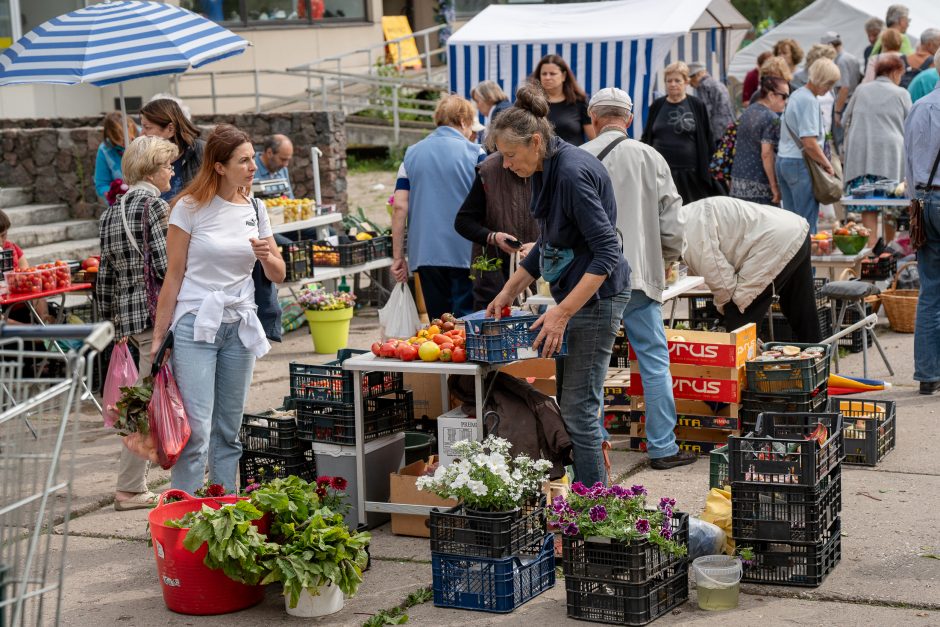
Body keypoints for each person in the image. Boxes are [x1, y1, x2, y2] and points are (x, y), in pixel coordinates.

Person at [486, 84, 630, 487]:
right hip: (578, 299)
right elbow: (550, 241)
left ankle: (596, 509)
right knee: (573, 404)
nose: (507, 165)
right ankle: (588, 500)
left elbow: (606, 253)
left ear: (535, 141)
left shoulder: (569, 173)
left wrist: (562, 312)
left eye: (511, 156)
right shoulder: (545, 168)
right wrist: (509, 290)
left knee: (579, 411)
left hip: (596, 300)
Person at [152, 124, 286, 494]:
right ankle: (186, 514)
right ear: (220, 166)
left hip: (240, 326)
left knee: (228, 430)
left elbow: (279, 272)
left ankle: (224, 512)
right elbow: (173, 277)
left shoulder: (256, 209)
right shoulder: (188, 209)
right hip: (196, 323)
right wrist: (160, 337)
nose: (253, 166)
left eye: (252, 157)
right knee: (196, 431)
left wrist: (267, 257)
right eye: (244, 160)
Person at [581, 87, 693, 470]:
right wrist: (668, 258)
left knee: (591, 366)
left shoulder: (578, 157)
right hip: (641, 275)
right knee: (653, 361)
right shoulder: (651, 157)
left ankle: (596, 446)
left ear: (594, 119)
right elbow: (673, 222)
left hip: (591, 280)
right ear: (629, 120)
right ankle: (663, 447)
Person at [96, 135, 177, 510]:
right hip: (155, 316)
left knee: (141, 400)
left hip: (128, 323)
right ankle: (129, 488)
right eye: (166, 164)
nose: (172, 170)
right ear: (150, 169)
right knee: (151, 402)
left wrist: (113, 326)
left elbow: (105, 278)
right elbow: (166, 267)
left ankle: (134, 483)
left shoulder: (111, 211)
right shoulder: (155, 208)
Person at [391, 95, 484, 319]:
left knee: (438, 323)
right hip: (466, 249)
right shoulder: (476, 154)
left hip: (425, 251)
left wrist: (398, 257)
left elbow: (399, 207)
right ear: (463, 121)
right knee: (466, 321)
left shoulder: (411, 154)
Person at [681, 197, 821, 343]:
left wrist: (725, 313)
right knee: (803, 311)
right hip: (795, 230)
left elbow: (722, 283)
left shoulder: (688, 233)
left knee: (739, 317)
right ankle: (818, 359)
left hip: (776, 241)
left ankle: (748, 363)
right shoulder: (687, 216)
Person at [843, 55, 912, 247]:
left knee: (868, 205)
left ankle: (871, 250)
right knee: (892, 204)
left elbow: (843, 120)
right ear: (895, 72)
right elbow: (912, 124)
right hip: (890, 156)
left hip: (861, 156)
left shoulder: (861, 90)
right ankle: (890, 249)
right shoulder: (901, 93)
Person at [453, 152, 536, 310]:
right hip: (494, 278)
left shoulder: (549, 167)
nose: (506, 163)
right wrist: (494, 237)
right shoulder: (488, 170)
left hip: (540, 278)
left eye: (511, 154)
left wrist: (540, 245)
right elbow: (463, 222)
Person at [904, 47, 940, 395]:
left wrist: (913, 204)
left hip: (925, 202)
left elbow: (910, 163)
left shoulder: (920, 105)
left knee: (930, 291)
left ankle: (928, 375)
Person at [642, 61, 725, 204]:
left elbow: (707, 138)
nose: (673, 84)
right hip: (661, 174)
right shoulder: (657, 105)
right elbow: (647, 136)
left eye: (677, 80)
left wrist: (712, 167)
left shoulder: (696, 105)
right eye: (669, 81)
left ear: (686, 82)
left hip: (691, 174)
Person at [776, 58, 840, 234]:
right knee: (806, 225)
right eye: (829, 84)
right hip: (800, 164)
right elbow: (809, 143)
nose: (829, 89)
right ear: (822, 81)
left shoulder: (797, 94)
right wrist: (827, 165)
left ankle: (794, 261)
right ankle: (806, 261)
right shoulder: (809, 101)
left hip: (784, 160)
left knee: (791, 224)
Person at [731, 76, 788, 205]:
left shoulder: (747, 112)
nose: (786, 101)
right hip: (760, 185)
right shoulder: (771, 118)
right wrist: (774, 187)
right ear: (771, 95)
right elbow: (766, 154)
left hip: (738, 181)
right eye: (784, 96)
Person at [140, 98, 205, 202]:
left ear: (171, 128)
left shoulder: (201, 152)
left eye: (147, 127)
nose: (142, 133)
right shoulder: (144, 157)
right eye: (142, 126)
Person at [530, 54, 595, 146]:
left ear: (564, 76)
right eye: (544, 74)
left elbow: (594, 139)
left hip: (573, 158)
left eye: (552, 74)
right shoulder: (531, 103)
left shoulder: (580, 102)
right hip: (542, 159)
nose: (547, 77)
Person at [823, 32, 862, 156]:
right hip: (853, 103)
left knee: (840, 141)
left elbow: (844, 88)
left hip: (843, 104)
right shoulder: (852, 58)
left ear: (829, 45)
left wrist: (837, 112)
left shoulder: (840, 61)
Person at [94, 112, 139, 202]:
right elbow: (102, 184)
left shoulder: (145, 137)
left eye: (131, 138)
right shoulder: (105, 150)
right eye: (119, 139)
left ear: (132, 128)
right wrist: (113, 194)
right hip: (121, 203)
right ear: (110, 137)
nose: (125, 142)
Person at [688, 62, 735, 144]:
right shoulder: (716, 83)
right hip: (728, 128)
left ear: (697, 75)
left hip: (716, 131)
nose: (690, 84)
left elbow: (705, 112)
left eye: (690, 79)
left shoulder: (703, 86)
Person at [470, 80, 511, 148]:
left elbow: (498, 147)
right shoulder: (503, 108)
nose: (477, 107)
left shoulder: (500, 112)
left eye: (478, 101)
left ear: (489, 98)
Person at [254, 134, 294, 198]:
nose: (286, 164)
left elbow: (290, 199)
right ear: (269, 153)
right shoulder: (250, 168)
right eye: (283, 159)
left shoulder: (283, 169)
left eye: (288, 160)